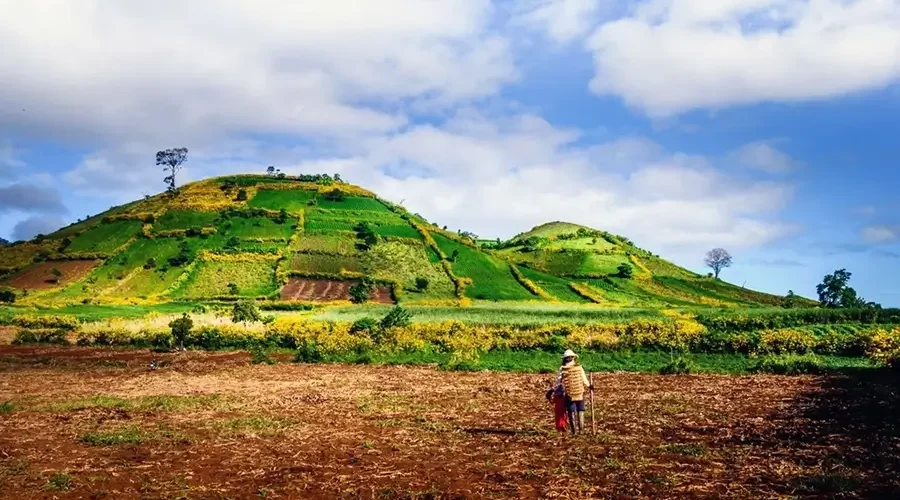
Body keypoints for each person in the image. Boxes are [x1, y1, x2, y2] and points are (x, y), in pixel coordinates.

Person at [559, 349, 591, 435]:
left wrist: (588, 385)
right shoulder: (565, 369)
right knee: (577, 410)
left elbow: (558, 381)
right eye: (569, 357)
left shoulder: (565, 368)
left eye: (570, 357)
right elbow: (583, 378)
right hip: (574, 392)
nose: (570, 358)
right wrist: (588, 385)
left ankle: (577, 431)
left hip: (574, 392)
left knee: (575, 410)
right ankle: (578, 431)